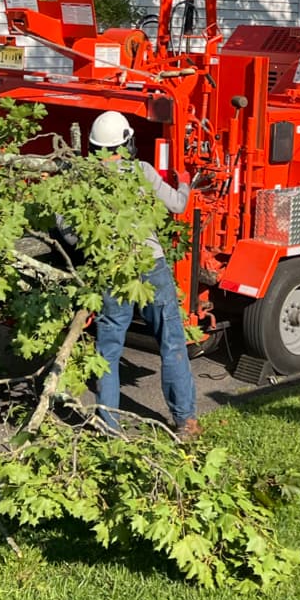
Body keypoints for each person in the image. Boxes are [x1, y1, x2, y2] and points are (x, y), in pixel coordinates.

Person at [85, 110, 200, 440]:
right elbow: (178, 206)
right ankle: (185, 421)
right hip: (152, 268)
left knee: (108, 351)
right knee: (172, 343)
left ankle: (109, 426)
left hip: (113, 271)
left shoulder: (86, 181)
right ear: (126, 143)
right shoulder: (142, 172)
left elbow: (68, 227)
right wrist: (185, 182)